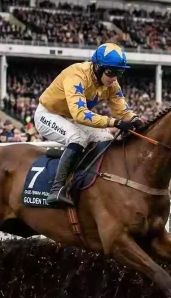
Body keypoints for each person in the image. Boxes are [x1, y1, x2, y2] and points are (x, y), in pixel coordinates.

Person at [34, 43, 145, 206]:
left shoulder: (112, 84)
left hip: (70, 117)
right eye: (111, 72)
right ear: (98, 67)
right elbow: (80, 114)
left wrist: (135, 120)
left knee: (106, 137)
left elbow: (122, 110)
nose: (114, 77)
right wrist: (114, 122)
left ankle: (87, 180)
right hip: (48, 114)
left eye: (119, 72)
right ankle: (56, 190)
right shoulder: (77, 75)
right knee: (77, 138)